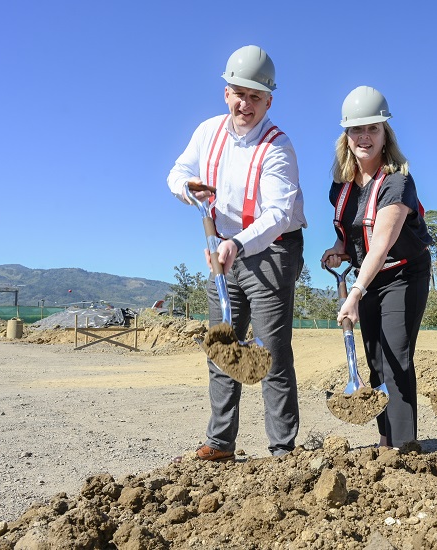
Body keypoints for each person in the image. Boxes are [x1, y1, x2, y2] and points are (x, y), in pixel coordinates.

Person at [167, 45, 306, 460]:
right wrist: (187, 189)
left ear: (269, 100)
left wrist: (237, 243)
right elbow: (177, 173)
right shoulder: (207, 132)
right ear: (226, 92)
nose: (245, 104)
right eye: (238, 93)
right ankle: (221, 442)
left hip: (271, 250)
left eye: (255, 97)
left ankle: (282, 449)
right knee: (221, 343)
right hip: (222, 248)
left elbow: (279, 214)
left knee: (269, 352)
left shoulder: (278, 147)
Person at [321, 86, 433, 449]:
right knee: (374, 359)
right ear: (347, 136)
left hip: (403, 272)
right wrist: (340, 249)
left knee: (396, 356)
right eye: (356, 129)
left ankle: (405, 448)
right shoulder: (340, 187)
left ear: (385, 135)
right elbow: (354, 232)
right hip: (369, 275)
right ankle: (386, 443)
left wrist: (354, 293)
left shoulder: (398, 184)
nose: (364, 137)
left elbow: (382, 243)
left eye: (373, 128)